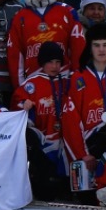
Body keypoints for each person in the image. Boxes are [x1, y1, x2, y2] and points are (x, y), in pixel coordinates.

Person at [61, 24, 106, 187]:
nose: (101, 50)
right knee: (84, 198)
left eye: (105, 45)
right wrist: (83, 154)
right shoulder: (77, 78)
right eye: (96, 45)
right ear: (90, 48)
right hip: (86, 148)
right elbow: (70, 122)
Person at [6, 0, 85, 86]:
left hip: (63, 80)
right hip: (33, 83)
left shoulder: (67, 11)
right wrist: (20, 87)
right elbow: (15, 56)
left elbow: (78, 48)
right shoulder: (19, 17)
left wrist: (75, 78)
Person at [15, 41, 70, 201]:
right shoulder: (32, 84)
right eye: (50, 62)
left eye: (58, 62)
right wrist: (23, 104)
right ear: (43, 63)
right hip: (43, 141)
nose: (54, 66)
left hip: (63, 140)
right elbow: (16, 103)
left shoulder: (66, 83)